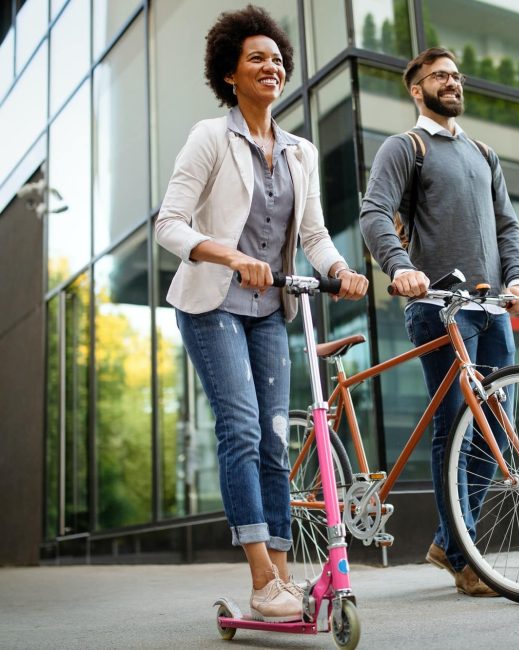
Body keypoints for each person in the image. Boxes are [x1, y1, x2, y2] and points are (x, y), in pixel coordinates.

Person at [155, 5, 368, 622]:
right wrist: (230, 255)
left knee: (276, 438)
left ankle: (281, 577)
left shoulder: (299, 152)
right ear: (230, 73)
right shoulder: (210, 138)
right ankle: (260, 579)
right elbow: (169, 223)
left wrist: (340, 270)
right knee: (243, 430)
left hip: (271, 308)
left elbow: (314, 234)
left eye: (277, 58)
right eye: (257, 58)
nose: (271, 66)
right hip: (213, 303)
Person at [359, 47, 519, 597]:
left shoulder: (483, 153)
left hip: (492, 308)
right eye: (440, 76)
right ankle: (464, 556)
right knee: (454, 423)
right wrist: (401, 267)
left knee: (495, 427)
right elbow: (373, 212)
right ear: (417, 89)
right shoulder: (405, 147)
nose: (452, 83)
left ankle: (450, 540)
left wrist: (518, 279)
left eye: (457, 75)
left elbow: (507, 226)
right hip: (438, 305)